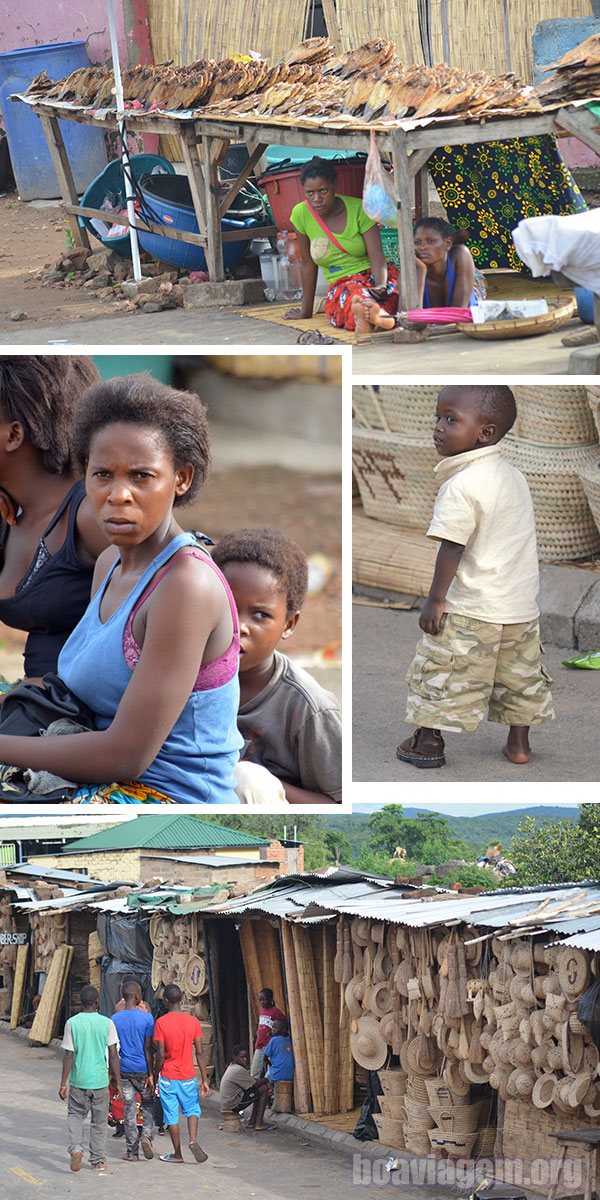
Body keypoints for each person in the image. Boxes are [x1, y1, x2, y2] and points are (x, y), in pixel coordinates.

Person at [0, 373, 243, 804]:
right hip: (97, 770)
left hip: (162, 796)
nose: (118, 495)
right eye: (102, 475)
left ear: (181, 479)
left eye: (142, 476)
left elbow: (126, 755)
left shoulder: (186, 585)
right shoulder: (111, 562)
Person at [396, 385, 554, 770]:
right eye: (438, 417)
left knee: (443, 671)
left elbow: (452, 546)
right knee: (521, 677)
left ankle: (429, 742)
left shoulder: (462, 486)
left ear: (484, 433)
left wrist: (436, 600)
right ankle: (519, 745)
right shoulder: (514, 476)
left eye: (451, 420)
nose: (438, 427)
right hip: (518, 606)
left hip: (472, 608)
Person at [212, 527, 342, 804]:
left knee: (247, 779)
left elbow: (338, 802)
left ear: (289, 624)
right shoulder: (182, 674)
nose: (240, 627)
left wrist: (267, 785)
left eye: (260, 615)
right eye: (227, 608)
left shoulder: (309, 709)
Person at [0, 356, 107, 688]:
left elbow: (178, 577)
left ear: (13, 434)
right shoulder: (11, 511)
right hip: (29, 708)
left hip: (77, 719)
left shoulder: (89, 517)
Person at [285, 156, 400, 333]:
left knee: (395, 293)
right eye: (310, 193)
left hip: (373, 276)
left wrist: (381, 286)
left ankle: (377, 317)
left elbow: (377, 258)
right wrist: (305, 311)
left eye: (323, 191)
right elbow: (307, 264)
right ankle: (374, 316)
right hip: (342, 283)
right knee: (353, 296)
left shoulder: (359, 210)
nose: (317, 198)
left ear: (334, 186)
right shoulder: (300, 214)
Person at [355, 218, 483, 330]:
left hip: (471, 295)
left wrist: (426, 320)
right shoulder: (414, 268)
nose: (422, 247)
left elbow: (458, 313)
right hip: (436, 318)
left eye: (430, 241)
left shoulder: (460, 255)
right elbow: (407, 319)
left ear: (448, 243)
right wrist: (421, 271)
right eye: (417, 242)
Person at [59, 984, 121, 1173]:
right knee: (99, 1121)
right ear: (97, 1002)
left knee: (76, 1115)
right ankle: (98, 1160)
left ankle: (77, 1148)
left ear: (80, 1002)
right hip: (100, 1081)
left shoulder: (72, 1023)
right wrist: (116, 1081)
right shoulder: (107, 1023)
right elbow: (113, 1054)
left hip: (79, 1081)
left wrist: (63, 1083)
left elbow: (69, 1055)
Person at [153, 982, 210, 1164]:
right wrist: (205, 1079)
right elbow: (200, 1052)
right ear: (181, 999)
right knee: (192, 1109)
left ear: (166, 1001)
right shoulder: (193, 1022)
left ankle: (177, 1154)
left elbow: (160, 1053)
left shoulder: (161, 1023)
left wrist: (155, 1073)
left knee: (171, 1116)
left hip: (168, 1076)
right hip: (188, 1075)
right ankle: (193, 1140)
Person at [112, 980, 156, 1162]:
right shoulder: (147, 1018)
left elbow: (113, 1050)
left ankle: (132, 1152)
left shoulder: (114, 1019)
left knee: (129, 1110)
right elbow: (149, 1048)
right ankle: (146, 1135)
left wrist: (112, 1075)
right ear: (138, 996)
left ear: (123, 996)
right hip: (143, 1070)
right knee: (148, 1105)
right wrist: (152, 1073)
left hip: (124, 1070)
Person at [219, 1045, 274, 1131]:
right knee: (263, 1089)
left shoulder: (232, 1067)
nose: (245, 1059)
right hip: (232, 1104)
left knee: (257, 1091)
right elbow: (256, 1084)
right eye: (241, 1057)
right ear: (235, 1057)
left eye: (246, 1057)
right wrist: (267, 1080)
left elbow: (252, 1081)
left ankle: (252, 1122)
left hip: (228, 1102)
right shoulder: (238, 1070)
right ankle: (259, 1123)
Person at [251, 988, 286, 1079]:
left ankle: (270, 1086)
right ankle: (254, 1087)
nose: (262, 1002)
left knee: (270, 1067)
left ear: (270, 999)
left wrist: (274, 1034)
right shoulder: (262, 1010)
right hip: (260, 1044)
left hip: (269, 1044)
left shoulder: (276, 1012)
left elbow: (283, 1023)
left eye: (264, 1000)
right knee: (255, 1067)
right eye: (260, 1000)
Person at [263, 1018, 295, 1085]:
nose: (273, 1029)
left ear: (284, 1029)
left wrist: (271, 1065)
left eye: (275, 1027)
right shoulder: (290, 1039)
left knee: (267, 1077)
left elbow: (265, 1058)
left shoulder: (273, 1040)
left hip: (277, 1074)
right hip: (290, 1074)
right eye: (272, 1027)